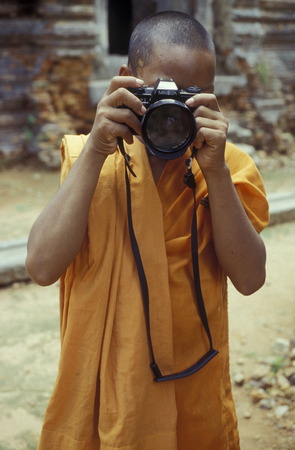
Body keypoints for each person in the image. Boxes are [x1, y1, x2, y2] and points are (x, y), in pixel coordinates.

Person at [26, 10, 269, 450]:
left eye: (195, 96)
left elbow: (251, 279)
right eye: (162, 93)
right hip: (102, 399)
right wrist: (99, 150)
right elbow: (41, 267)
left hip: (194, 394)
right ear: (127, 79)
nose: (174, 113)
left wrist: (214, 172)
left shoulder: (226, 167)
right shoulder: (91, 159)